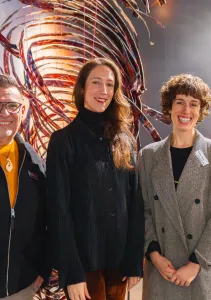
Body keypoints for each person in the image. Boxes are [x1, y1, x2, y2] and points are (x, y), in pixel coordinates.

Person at [46, 58, 144, 300]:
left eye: (110, 85)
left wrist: (134, 261)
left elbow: (135, 204)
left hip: (119, 265)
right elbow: (58, 211)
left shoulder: (125, 140)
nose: (103, 91)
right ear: (82, 88)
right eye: (96, 83)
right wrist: (71, 273)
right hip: (84, 266)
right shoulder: (63, 141)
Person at [139, 74, 211, 300]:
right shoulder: (148, 156)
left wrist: (196, 263)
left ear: (201, 110)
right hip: (162, 272)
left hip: (204, 272)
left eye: (193, 104)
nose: (186, 110)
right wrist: (154, 255)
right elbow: (143, 209)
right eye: (180, 102)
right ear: (169, 107)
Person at [0, 75, 50, 299]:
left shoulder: (34, 161)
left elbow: (47, 222)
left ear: (22, 111)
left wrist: (43, 269)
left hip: (22, 289)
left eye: (12, 106)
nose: (5, 113)